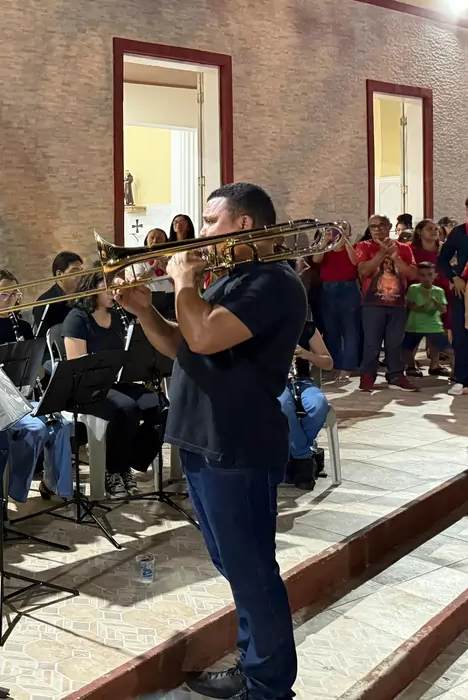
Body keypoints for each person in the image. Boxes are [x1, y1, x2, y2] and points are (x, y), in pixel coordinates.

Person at [116, 182, 307, 700]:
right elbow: (184, 345)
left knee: (252, 571)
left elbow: (202, 334)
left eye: (209, 222)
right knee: (235, 566)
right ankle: (253, 666)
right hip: (204, 440)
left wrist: (181, 281)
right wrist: (143, 310)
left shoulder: (274, 283)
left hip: (238, 444)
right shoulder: (234, 281)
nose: (200, 233)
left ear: (244, 225)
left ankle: (268, 686)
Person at [0, 269, 64, 532]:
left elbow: (37, 370)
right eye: (4, 293)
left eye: (14, 293)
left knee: (53, 426)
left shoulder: (22, 326)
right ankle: (0, 498)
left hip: (20, 398)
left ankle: (27, 489)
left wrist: (37, 365)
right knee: (31, 429)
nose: (10, 298)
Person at [60, 267, 162, 498]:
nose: (114, 292)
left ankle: (128, 462)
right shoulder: (77, 318)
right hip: (87, 388)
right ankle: (113, 469)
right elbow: (77, 368)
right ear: (91, 287)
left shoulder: (118, 315)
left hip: (115, 383)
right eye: (108, 287)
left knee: (161, 406)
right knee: (127, 409)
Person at [356, 215, 418, 392]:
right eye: (373, 226)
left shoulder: (404, 249)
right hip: (372, 303)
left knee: (394, 342)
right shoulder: (364, 246)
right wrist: (382, 253)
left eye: (381, 225)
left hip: (398, 303)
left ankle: (396, 375)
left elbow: (412, 274)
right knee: (371, 343)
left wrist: (395, 257)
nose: (377, 229)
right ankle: (368, 375)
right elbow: (365, 270)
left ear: (389, 226)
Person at [279, 322, 333, 490]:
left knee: (319, 405)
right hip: (274, 381)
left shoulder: (307, 328)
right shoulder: (259, 325)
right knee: (282, 406)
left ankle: (294, 457)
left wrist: (306, 354)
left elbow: (328, 362)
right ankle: (303, 458)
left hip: (301, 381)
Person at [310, 229, 362, 383]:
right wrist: (325, 241)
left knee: (350, 331)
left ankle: (347, 368)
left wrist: (345, 241)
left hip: (349, 288)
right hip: (328, 289)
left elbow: (355, 261)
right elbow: (316, 260)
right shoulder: (326, 248)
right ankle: (335, 365)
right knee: (332, 331)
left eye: (344, 228)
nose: (339, 231)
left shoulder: (354, 246)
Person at [410, 220, 452, 375]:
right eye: (429, 229)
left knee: (438, 327)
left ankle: (435, 364)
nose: (434, 231)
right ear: (419, 231)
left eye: (436, 229)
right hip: (419, 292)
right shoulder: (411, 249)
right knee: (416, 329)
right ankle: (410, 364)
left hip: (441, 291)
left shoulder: (444, 248)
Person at [437, 199, 468, 394]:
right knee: (461, 335)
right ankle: (463, 379)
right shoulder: (460, 232)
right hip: (463, 288)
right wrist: (454, 277)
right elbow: (442, 260)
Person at [403, 262, 450, 377]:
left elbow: (443, 309)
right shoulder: (413, 289)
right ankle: (411, 366)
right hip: (415, 324)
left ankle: (440, 368)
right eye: (422, 275)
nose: (426, 278)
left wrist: (435, 303)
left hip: (433, 325)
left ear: (435, 275)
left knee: (445, 349)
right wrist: (423, 308)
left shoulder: (439, 291)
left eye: (430, 274)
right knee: (409, 347)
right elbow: (409, 305)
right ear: (418, 276)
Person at [32, 251, 85, 336]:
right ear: (59, 274)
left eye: (81, 271)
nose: (81, 275)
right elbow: (45, 339)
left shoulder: (83, 298)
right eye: (75, 271)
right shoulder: (44, 302)